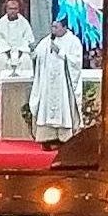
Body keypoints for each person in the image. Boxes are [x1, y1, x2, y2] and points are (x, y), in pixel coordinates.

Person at [29, 15, 85, 144]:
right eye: (52, 27)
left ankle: (64, 137)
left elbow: (76, 62)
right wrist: (33, 53)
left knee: (63, 108)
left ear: (64, 27)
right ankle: (47, 137)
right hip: (48, 83)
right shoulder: (47, 40)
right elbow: (38, 54)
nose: (53, 30)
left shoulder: (73, 41)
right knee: (46, 108)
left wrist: (61, 53)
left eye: (56, 27)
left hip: (63, 83)